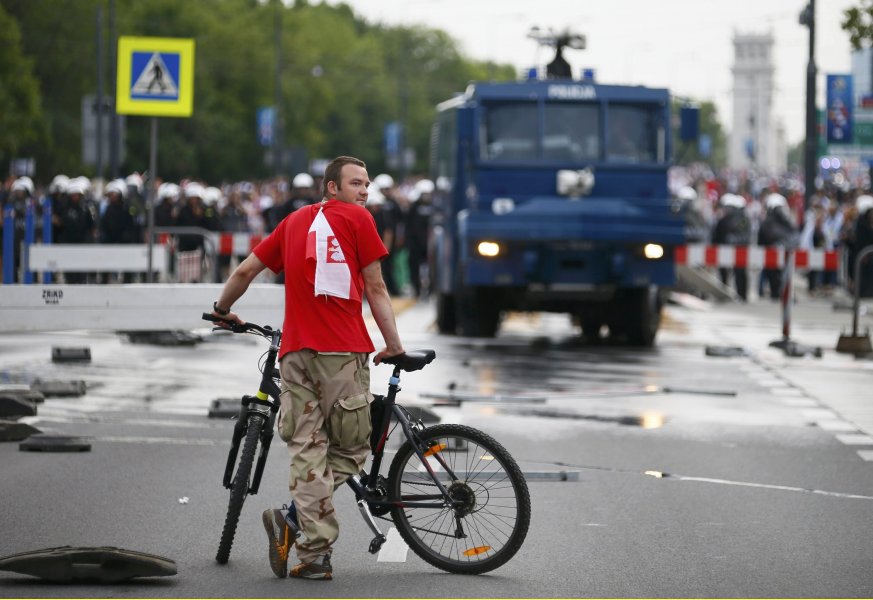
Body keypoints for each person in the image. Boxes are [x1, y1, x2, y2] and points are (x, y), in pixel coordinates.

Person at [210, 156, 404, 581]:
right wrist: (393, 344)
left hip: (295, 355)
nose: (365, 191)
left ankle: (303, 535)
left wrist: (223, 310)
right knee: (354, 447)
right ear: (331, 187)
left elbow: (246, 270)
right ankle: (304, 537)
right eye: (356, 183)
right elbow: (375, 286)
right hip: (343, 353)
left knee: (307, 449)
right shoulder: (358, 220)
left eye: (367, 184)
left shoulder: (293, 221)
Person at [757, 193, 797, 300]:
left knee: (779, 278)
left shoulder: (773, 222)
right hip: (773, 256)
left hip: (780, 256)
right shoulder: (782, 222)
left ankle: (778, 293)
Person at [712, 193, 751, 301]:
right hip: (738, 249)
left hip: (727, 250)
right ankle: (742, 295)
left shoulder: (725, 220)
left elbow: (717, 236)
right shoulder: (744, 220)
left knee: (728, 273)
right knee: (740, 273)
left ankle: (725, 293)